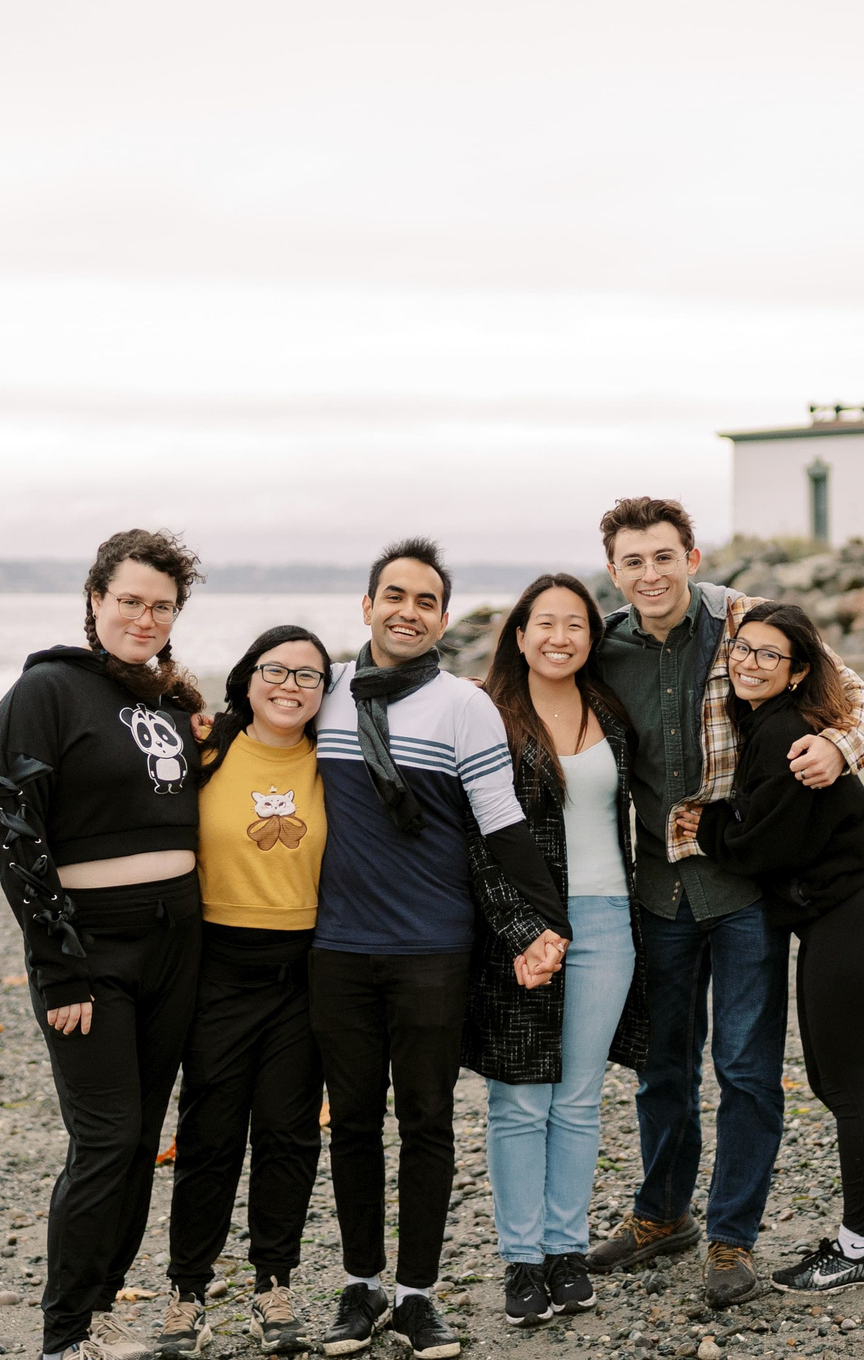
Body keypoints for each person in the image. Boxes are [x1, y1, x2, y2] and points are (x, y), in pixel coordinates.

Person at [586, 497, 864, 1310]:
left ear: (691, 554)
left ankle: (732, 1236)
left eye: (663, 556)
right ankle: (661, 1215)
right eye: (632, 561)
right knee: (662, 1070)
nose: (650, 573)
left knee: (748, 1070)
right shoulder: (602, 647)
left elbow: (860, 700)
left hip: (747, 891)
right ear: (614, 570)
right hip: (655, 888)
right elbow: (526, 689)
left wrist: (833, 744)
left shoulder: (748, 626)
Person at [311, 538, 571, 1360]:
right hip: (338, 947)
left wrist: (546, 920)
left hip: (433, 946)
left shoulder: (463, 704)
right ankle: (362, 1285)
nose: (408, 611)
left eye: (426, 601)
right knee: (351, 1121)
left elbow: (502, 822)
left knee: (426, 1121)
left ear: (444, 618)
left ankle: (419, 1294)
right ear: (367, 606)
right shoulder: (323, 694)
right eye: (394, 595)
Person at [670, 600, 864, 1293]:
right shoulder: (769, 725)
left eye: (770, 655)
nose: (750, 663)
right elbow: (766, 824)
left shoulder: (787, 733)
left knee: (844, 1086)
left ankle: (858, 1245)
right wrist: (730, 819)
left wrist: (704, 827)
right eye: (743, 650)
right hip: (841, 917)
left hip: (852, 919)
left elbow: (765, 847)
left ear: (797, 673)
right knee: (838, 1080)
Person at [0, 529, 209, 1360]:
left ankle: (103, 1316)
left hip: (178, 943)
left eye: (162, 605)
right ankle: (64, 1336)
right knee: (107, 1140)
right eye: (130, 601)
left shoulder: (168, 701)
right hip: (92, 954)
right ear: (94, 599)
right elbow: (13, 832)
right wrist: (58, 965)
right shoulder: (46, 690)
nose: (144, 617)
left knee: (142, 1136)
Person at [466, 574, 650, 1329]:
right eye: (545, 623)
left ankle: (565, 1250)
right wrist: (519, 930)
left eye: (576, 623)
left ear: (590, 637)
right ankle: (521, 1260)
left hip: (608, 919)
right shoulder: (488, 717)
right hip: (523, 926)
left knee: (576, 1098)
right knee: (519, 1098)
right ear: (519, 633)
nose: (560, 636)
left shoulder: (608, 708)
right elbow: (475, 839)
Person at [153, 626, 334, 1358]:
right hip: (218, 968)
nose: (289, 685)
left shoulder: (337, 757)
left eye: (308, 675)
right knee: (210, 1134)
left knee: (289, 1134)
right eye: (275, 669)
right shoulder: (208, 745)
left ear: (326, 691)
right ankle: (185, 1292)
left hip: (305, 970)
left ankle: (273, 1286)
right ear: (248, 677)